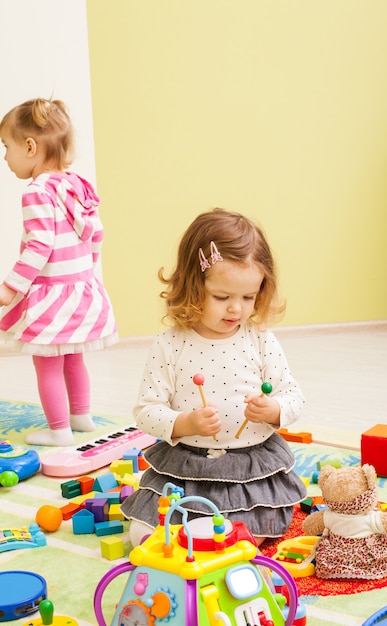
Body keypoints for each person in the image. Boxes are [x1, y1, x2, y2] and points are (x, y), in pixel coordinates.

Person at [121, 208, 306, 546]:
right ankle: (200, 542)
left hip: (249, 471)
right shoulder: (169, 344)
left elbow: (293, 396)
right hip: (188, 469)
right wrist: (185, 423)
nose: (236, 308)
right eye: (222, 297)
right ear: (193, 285)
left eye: (248, 297)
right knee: (142, 535)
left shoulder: (260, 338)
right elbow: (147, 411)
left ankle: (215, 544)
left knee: (252, 534)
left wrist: (274, 410)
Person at [0, 98, 118, 446]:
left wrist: (11, 288)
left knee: (46, 363)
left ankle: (58, 430)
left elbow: (39, 246)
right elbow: (97, 233)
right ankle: (80, 417)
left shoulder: (36, 192)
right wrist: (87, 270)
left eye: (6, 147)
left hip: (53, 295)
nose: (5, 157)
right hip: (81, 288)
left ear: (30, 147)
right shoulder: (74, 184)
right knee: (72, 357)